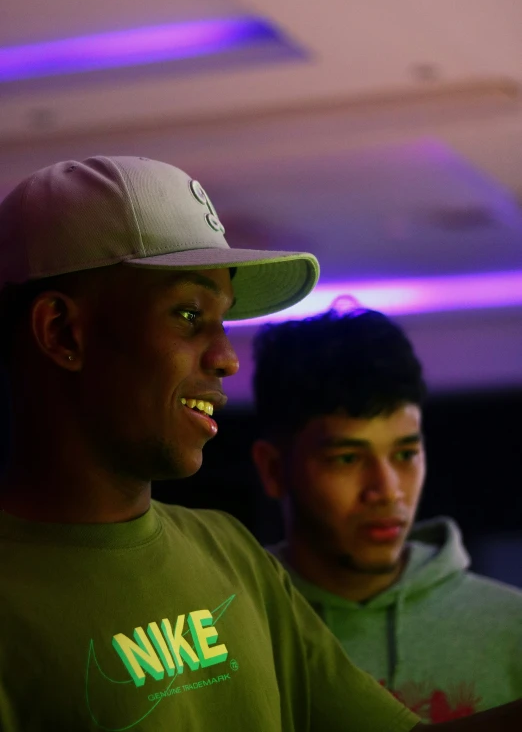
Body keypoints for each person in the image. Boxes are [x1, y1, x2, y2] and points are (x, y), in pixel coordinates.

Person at [0, 156, 519, 732]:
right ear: (62, 332)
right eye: (190, 314)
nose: (226, 358)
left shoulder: (229, 551)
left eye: (224, 323)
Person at [251, 307, 522, 726]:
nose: (388, 489)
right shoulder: (230, 631)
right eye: (347, 458)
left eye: (405, 454)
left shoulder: (513, 628)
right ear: (273, 470)